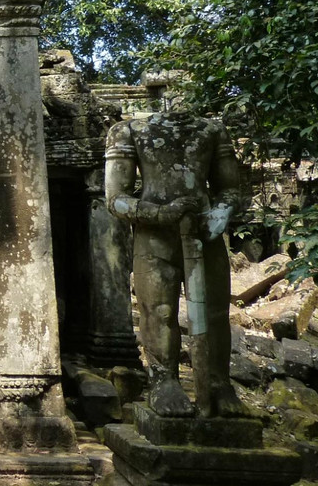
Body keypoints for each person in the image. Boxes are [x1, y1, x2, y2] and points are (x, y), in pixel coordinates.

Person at [105, 105, 248, 418]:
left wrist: (219, 214)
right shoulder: (129, 131)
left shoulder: (211, 130)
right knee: (158, 311)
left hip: (204, 233)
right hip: (154, 237)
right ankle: (163, 380)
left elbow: (231, 189)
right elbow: (115, 196)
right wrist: (158, 213)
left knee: (213, 311)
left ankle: (218, 383)